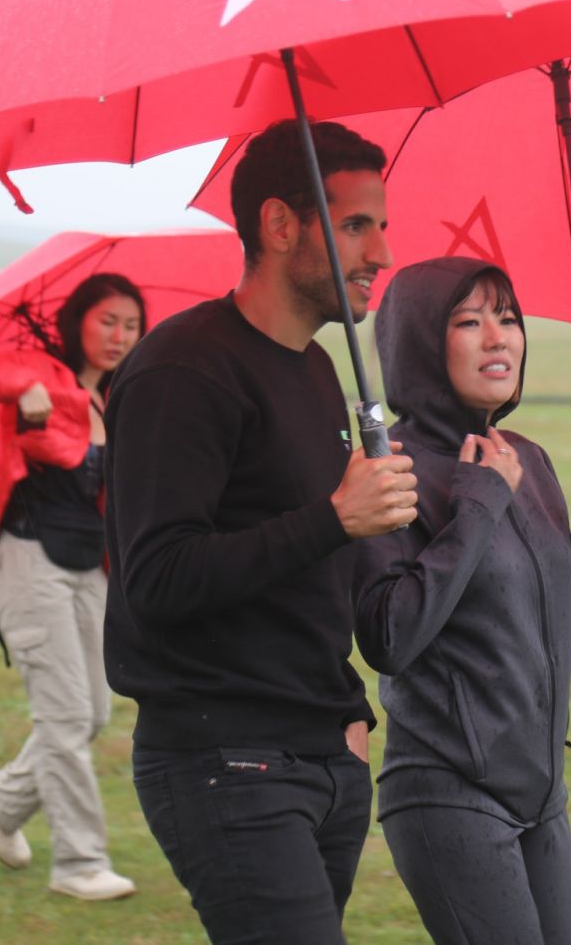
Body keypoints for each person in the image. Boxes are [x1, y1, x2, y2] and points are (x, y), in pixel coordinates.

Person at [103, 119, 419, 943]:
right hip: (227, 759)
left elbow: (315, 577)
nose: (382, 252)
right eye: (355, 225)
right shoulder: (183, 370)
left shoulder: (316, 367)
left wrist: (348, 719)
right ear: (280, 225)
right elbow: (157, 578)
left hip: (325, 748)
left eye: (382, 225)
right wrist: (333, 518)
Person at [354, 256, 571, 945]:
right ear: (420, 342)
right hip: (447, 791)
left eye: (509, 319)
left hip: (540, 792)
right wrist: (478, 506)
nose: (498, 338)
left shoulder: (524, 458)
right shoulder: (389, 471)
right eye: (468, 321)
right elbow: (389, 639)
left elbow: (553, 627)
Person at [0, 272, 145, 902]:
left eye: (131, 325)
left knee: (93, 712)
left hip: (90, 570)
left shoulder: (111, 399)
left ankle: (0, 800)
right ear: (78, 320)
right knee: (65, 718)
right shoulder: (43, 375)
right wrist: (23, 386)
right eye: (107, 321)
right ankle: (79, 864)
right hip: (31, 563)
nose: (119, 336)